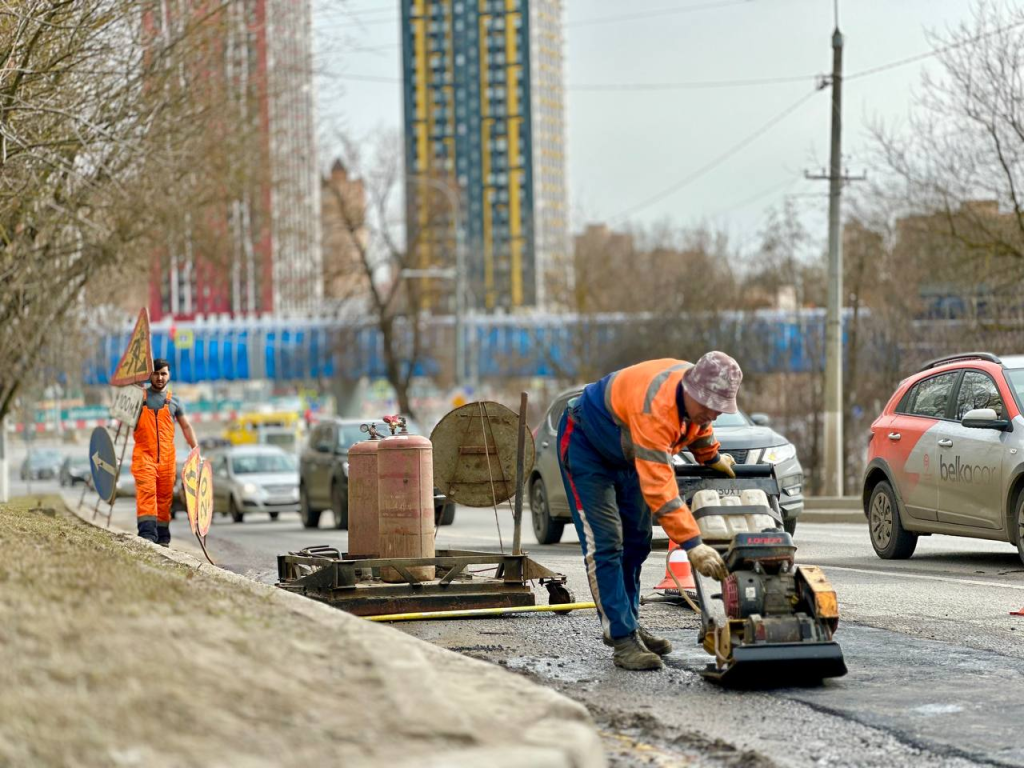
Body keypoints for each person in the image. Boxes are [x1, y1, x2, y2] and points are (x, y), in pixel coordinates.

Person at [556, 352, 742, 671]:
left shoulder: (694, 398)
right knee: (606, 544)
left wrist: (712, 458)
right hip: (587, 446)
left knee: (637, 541)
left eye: (718, 409)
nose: (712, 414)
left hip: (628, 452)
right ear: (691, 390)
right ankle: (622, 638)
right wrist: (693, 545)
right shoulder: (657, 408)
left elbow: (699, 425)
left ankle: (629, 621)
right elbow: (660, 490)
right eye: (709, 406)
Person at [133, 359, 197, 546]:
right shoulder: (138, 397)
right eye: (156, 373)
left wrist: (196, 450)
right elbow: (121, 421)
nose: (159, 377)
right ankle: (147, 536)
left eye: (163, 374)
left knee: (164, 499)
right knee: (147, 493)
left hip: (168, 459)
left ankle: (162, 538)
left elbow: (186, 426)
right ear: (149, 375)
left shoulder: (174, 400)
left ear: (168, 375)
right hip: (144, 455)